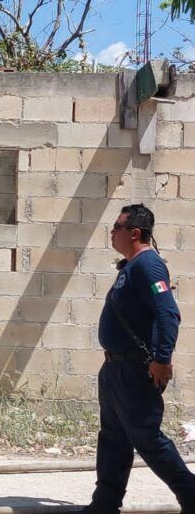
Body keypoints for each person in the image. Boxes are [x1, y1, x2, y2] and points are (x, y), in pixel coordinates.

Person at [84, 203, 195, 513]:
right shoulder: (130, 266)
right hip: (115, 369)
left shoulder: (149, 265)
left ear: (134, 233)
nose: (111, 232)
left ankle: (191, 494)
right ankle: (105, 503)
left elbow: (168, 313)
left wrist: (162, 360)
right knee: (113, 438)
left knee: (147, 438)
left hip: (134, 369)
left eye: (116, 227)